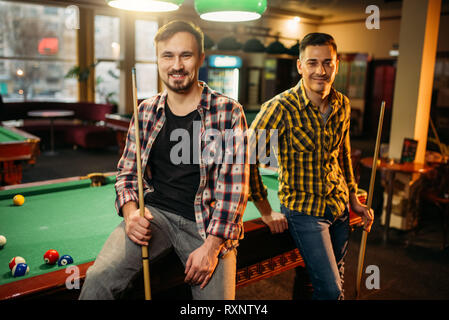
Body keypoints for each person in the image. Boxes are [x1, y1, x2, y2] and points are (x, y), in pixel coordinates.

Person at [79, 20, 249, 300]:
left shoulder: (228, 111)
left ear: (200, 58)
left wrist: (212, 247)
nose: (176, 65)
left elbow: (233, 190)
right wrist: (131, 213)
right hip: (154, 215)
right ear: (158, 60)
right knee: (97, 281)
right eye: (167, 55)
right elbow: (127, 174)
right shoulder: (145, 110)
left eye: (186, 55)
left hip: (206, 226)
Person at [248, 32, 374, 300]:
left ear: (336, 64)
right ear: (300, 66)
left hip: (339, 207)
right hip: (304, 212)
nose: (321, 70)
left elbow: (344, 153)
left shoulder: (342, 104)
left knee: (326, 279)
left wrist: (353, 198)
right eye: (313, 63)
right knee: (330, 291)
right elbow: (247, 159)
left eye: (328, 62)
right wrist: (265, 210)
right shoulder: (279, 107)